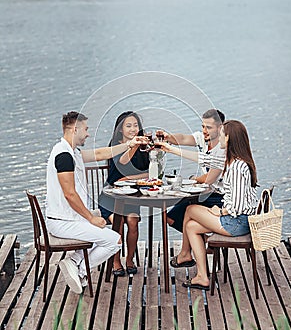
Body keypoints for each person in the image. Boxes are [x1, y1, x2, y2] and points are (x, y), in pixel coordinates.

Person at [46, 111, 145, 294]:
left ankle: (74, 262)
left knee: (104, 236)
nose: (88, 134)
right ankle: (81, 270)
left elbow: (101, 153)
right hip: (63, 222)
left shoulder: (72, 152)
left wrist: (130, 144)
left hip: (70, 219)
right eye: (85, 129)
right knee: (114, 241)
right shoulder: (64, 156)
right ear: (75, 129)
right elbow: (69, 194)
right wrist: (90, 218)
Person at [162, 120, 258, 290]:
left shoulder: (236, 167)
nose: (218, 137)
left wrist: (219, 211)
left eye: (221, 134)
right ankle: (202, 276)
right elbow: (203, 158)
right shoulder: (233, 160)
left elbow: (238, 205)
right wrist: (171, 149)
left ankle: (185, 254)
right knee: (191, 226)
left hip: (237, 223)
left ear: (228, 138)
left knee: (191, 209)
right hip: (239, 220)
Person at [99, 111, 150, 277]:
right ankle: (115, 260)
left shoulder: (143, 147)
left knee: (133, 221)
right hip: (111, 196)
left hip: (131, 196)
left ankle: (129, 259)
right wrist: (133, 145)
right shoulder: (115, 145)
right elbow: (122, 163)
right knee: (118, 222)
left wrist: (129, 177)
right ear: (120, 129)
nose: (133, 129)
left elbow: (149, 173)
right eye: (128, 126)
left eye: (136, 125)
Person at [159, 109, 225, 233]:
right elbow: (183, 138)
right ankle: (205, 242)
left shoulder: (223, 148)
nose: (204, 131)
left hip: (222, 197)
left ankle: (191, 249)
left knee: (188, 214)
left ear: (220, 127)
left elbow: (209, 178)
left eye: (209, 128)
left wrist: (194, 180)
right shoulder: (202, 138)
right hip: (205, 193)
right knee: (170, 218)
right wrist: (168, 137)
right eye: (203, 126)